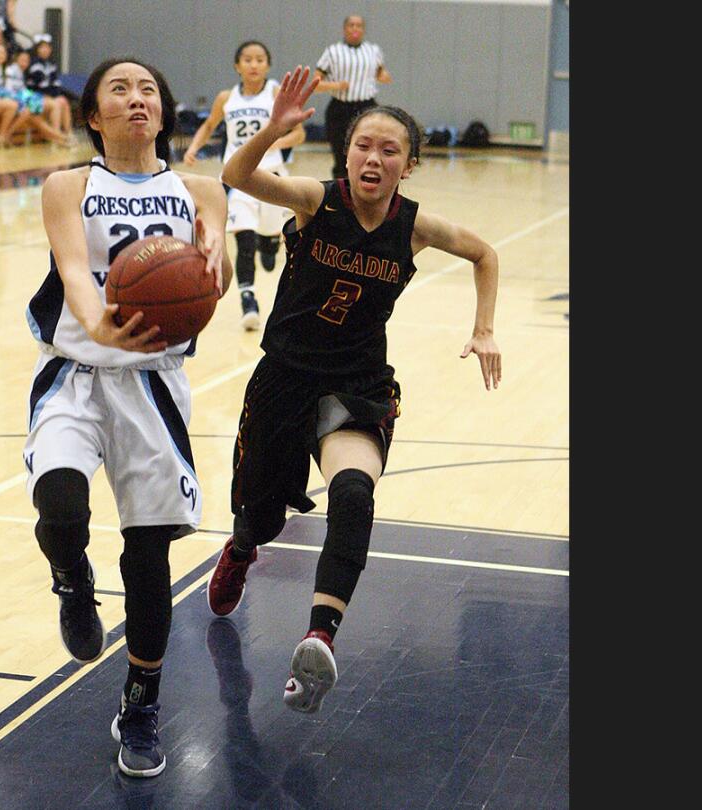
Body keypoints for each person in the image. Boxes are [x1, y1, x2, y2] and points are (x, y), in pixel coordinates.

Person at [212, 66, 501, 714]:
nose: (374, 157)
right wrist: (273, 131)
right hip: (285, 376)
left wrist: (483, 329)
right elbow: (237, 178)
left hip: (358, 382)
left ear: (410, 164)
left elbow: (485, 254)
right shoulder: (319, 199)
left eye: (389, 149)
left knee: (353, 491)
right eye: (363, 145)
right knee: (261, 514)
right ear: (348, 154)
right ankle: (241, 546)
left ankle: (320, 636)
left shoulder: (416, 228)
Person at [23, 55, 233, 777]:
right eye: (120, 88)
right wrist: (100, 325)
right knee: (60, 505)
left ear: (163, 110)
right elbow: (76, 272)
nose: (136, 97)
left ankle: (140, 704)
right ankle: (72, 581)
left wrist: (215, 263)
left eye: (148, 88)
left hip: (153, 385)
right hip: (77, 372)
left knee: (148, 559)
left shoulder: (201, 188)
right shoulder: (68, 186)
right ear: (93, 114)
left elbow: (218, 269)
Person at [182, 41, 306, 332]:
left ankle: (271, 241)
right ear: (237, 66)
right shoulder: (227, 97)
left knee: (267, 245)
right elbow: (210, 124)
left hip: (273, 178)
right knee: (243, 241)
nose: (253, 64)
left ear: (268, 65)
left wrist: (275, 140)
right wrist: (194, 147)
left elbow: (299, 133)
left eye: (260, 59)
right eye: (247, 60)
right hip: (239, 178)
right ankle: (248, 300)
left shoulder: (276, 93)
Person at [313, 15, 392, 179]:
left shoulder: (373, 50)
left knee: (369, 153)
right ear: (345, 29)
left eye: (359, 25)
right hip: (340, 108)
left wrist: (383, 76)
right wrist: (335, 85)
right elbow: (316, 84)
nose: (355, 28)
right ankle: (341, 195)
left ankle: (366, 192)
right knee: (341, 156)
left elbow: (380, 73)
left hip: (367, 108)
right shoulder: (332, 52)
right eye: (351, 25)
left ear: (363, 30)